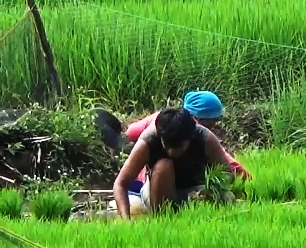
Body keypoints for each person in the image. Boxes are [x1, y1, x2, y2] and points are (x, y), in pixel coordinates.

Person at [95, 91, 252, 188]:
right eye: (213, 120)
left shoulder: (162, 117)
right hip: (160, 178)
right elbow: (226, 160)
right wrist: (248, 179)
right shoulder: (193, 129)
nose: (215, 124)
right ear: (201, 119)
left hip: (147, 169)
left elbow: (131, 131)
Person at [113, 107, 233, 219]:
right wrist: (126, 220)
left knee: (228, 197)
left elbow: (228, 173)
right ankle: (162, 217)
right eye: (168, 145)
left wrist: (210, 189)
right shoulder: (148, 141)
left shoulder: (204, 138)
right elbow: (121, 183)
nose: (171, 152)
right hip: (159, 193)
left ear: (190, 138)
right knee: (164, 165)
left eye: (178, 147)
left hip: (196, 191)